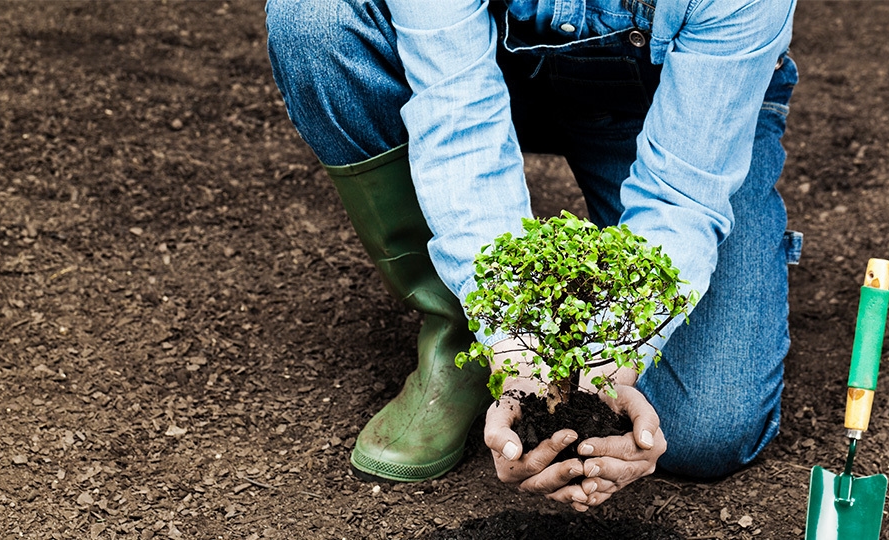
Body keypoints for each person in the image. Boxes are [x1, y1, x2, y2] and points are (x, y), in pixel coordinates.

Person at [265, 0, 801, 511]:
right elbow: (459, 119)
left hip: (670, 100)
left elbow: (679, 195)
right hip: (489, 70)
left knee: (703, 429)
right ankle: (461, 331)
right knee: (313, 19)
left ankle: (575, 316)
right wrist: (512, 341)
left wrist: (610, 361)